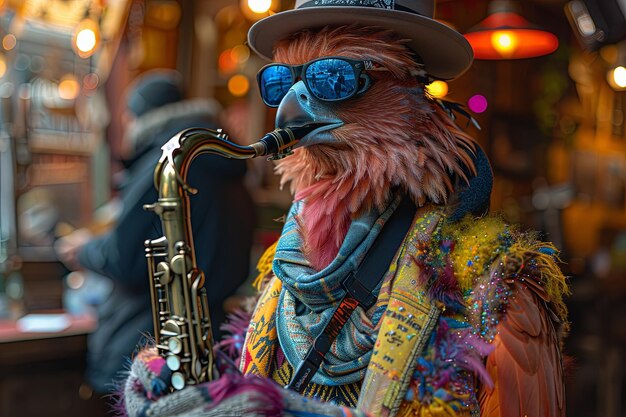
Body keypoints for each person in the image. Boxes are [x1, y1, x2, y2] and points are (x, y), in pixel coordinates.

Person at [123, 2, 569, 417]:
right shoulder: (283, 266)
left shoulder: (500, 283)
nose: (289, 106)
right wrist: (199, 389)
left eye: (335, 79)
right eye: (281, 83)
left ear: (412, 94)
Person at [55, 69, 256, 395]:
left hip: (147, 346)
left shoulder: (163, 165)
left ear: (137, 117)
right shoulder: (229, 169)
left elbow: (126, 258)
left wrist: (84, 249)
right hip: (210, 347)